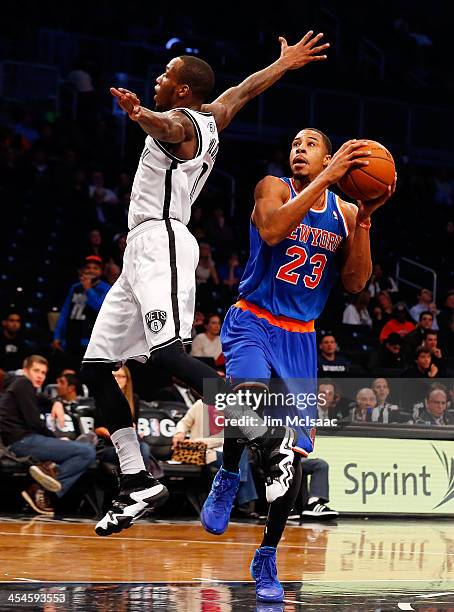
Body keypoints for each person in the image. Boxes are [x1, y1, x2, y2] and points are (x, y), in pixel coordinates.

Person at [80, 32, 332, 540]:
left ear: (181, 91)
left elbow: (167, 126)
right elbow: (245, 88)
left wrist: (139, 114)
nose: (158, 79)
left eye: (165, 75)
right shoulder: (213, 115)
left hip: (163, 241)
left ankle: (260, 427)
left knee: (168, 354)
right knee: (96, 365)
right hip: (139, 253)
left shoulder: (180, 125)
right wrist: (282, 63)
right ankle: (136, 480)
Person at [200, 126, 396, 603]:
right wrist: (325, 177)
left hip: (300, 338)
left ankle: (266, 555)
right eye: (294, 143)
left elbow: (353, 283)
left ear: (330, 157)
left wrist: (365, 218)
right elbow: (271, 230)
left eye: (310, 144)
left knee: (295, 459)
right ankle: (227, 475)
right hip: (254, 319)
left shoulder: (345, 213)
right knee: (246, 395)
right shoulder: (273, 187)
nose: (298, 149)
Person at [0, 355, 96, 515]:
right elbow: (34, 423)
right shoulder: (23, 383)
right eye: (36, 371)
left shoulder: (22, 386)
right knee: (87, 452)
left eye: (43, 373)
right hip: (22, 442)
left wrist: (56, 402)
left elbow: (43, 398)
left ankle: (45, 479)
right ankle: (42, 489)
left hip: (23, 441)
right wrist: (55, 439)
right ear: (25, 371)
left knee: (84, 449)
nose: (40, 376)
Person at [172, 399, 258, 512]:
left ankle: (240, 497)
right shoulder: (200, 404)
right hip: (205, 452)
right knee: (240, 459)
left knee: (241, 454)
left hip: (223, 450)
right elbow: (184, 422)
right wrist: (180, 432)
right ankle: (244, 503)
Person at [52, 256, 111, 367]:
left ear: (101, 271)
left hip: (90, 341)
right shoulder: (75, 288)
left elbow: (101, 309)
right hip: (70, 338)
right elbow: (65, 312)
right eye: (88, 267)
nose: (91, 270)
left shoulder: (106, 288)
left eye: (95, 268)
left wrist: (88, 289)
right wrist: (57, 336)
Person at [96, 366, 152, 470]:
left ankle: (139, 482)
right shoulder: (101, 397)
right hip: (108, 446)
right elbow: (98, 429)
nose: (117, 379)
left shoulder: (134, 399)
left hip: (129, 443)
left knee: (144, 448)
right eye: (114, 376)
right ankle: (141, 483)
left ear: (127, 380)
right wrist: (120, 435)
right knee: (137, 450)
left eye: (121, 376)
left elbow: (134, 424)